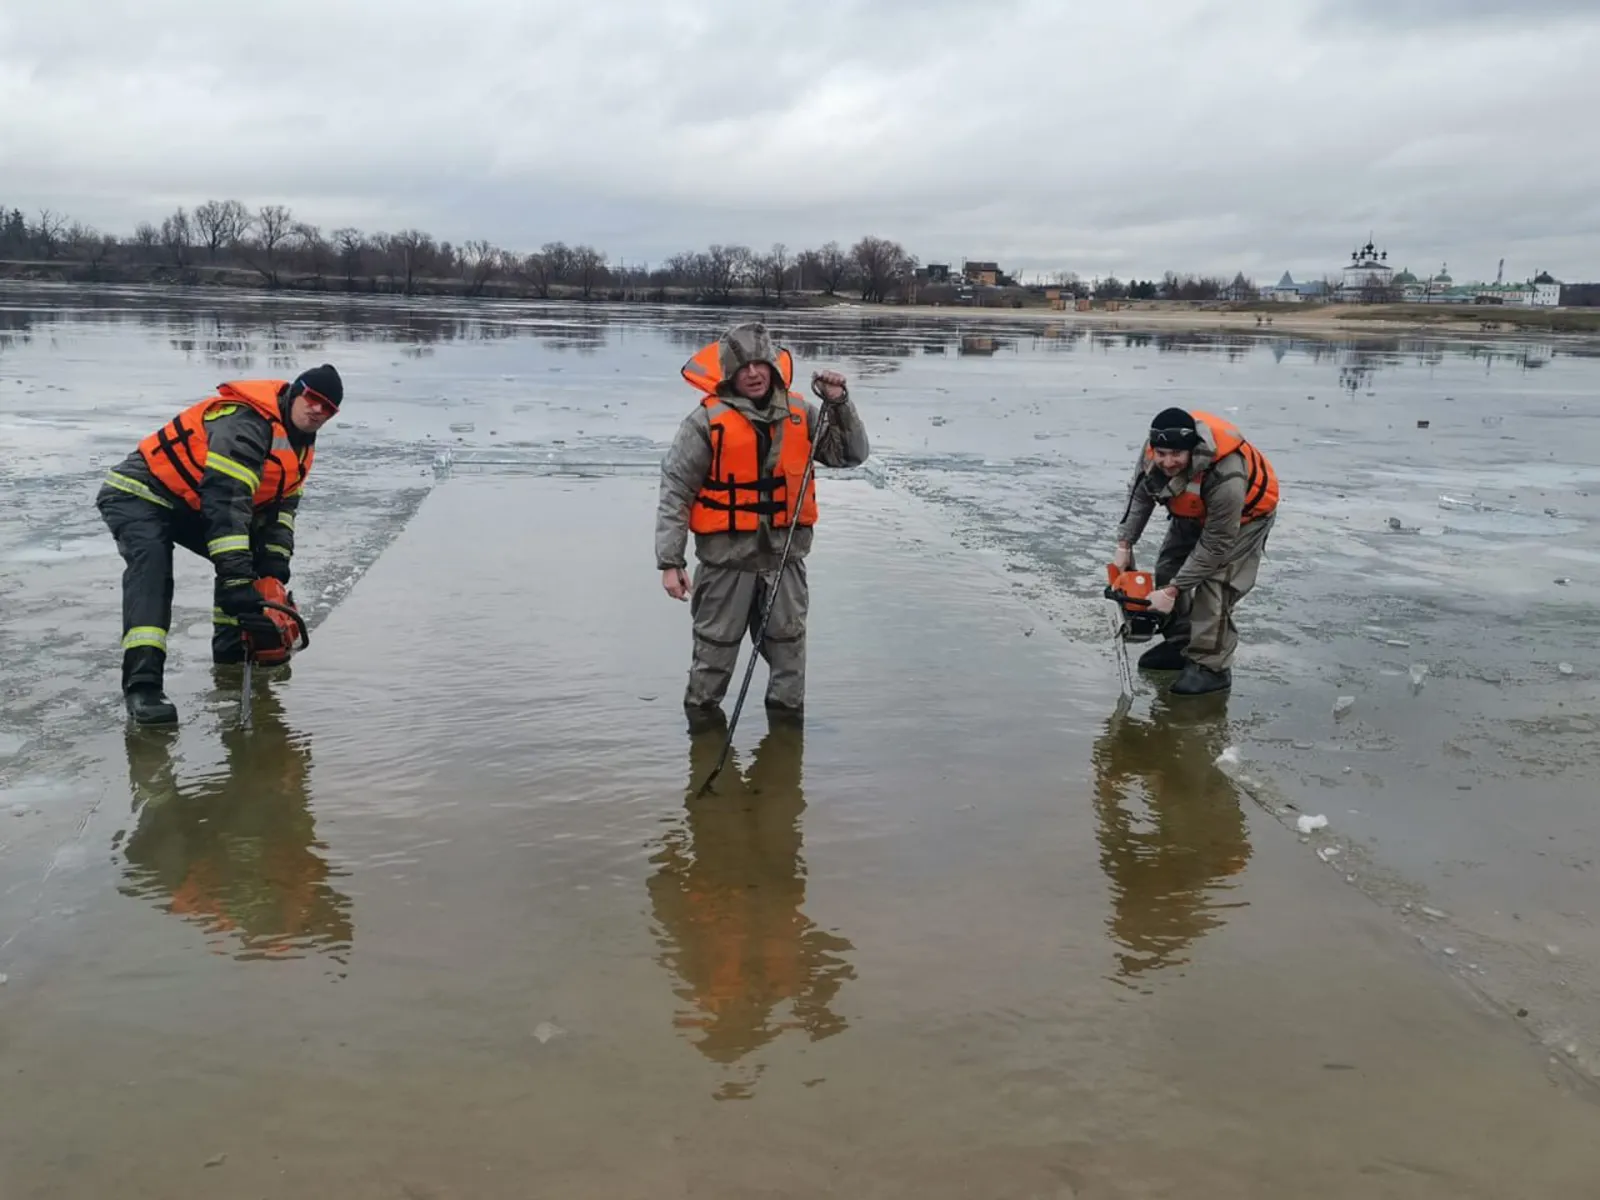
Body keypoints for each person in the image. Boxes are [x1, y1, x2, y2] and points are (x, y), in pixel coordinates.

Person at [96, 365, 343, 725]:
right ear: (295, 392)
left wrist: (272, 564)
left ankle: (230, 655)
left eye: (328, 409)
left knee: (251, 566)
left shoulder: (301, 448)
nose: (318, 410)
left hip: (190, 502)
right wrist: (235, 580)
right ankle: (143, 688)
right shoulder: (246, 422)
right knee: (153, 571)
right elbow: (226, 503)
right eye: (313, 399)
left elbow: (282, 507)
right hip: (140, 494)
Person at [655, 322, 869, 725]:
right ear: (728, 373)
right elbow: (675, 492)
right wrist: (670, 561)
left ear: (772, 367)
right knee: (712, 658)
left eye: (760, 364)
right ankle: (703, 741)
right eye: (742, 367)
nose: (753, 373)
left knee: (789, 659)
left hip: (783, 563)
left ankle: (786, 736)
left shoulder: (803, 413)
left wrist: (840, 404)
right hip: (725, 566)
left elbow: (851, 455)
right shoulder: (703, 423)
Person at [1112, 406, 1279, 696]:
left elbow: (1216, 544)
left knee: (1215, 588)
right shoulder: (1153, 454)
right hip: (1193, 511)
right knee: (1168, 569)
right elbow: (1141, 495)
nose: (1167, 461)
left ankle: (1211, 668)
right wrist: (1124, 544)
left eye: (1176, 454)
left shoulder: (1227, 473)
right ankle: (1183, 644)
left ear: (1192, 449)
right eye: (1162, 453)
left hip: (1243, 520)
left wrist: (1173, 592)